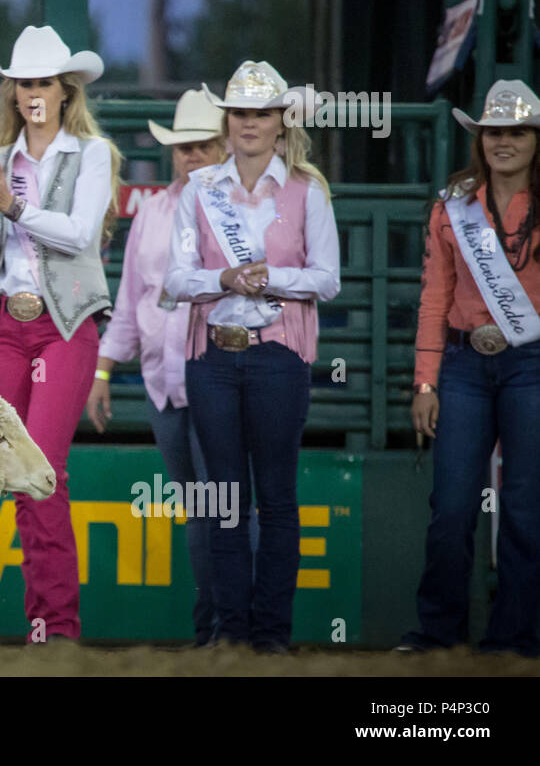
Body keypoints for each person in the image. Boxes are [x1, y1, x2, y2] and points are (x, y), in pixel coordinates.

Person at [163, 60, 340, 654]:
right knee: (226, 497)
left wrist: (266, 277)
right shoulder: (199, 189)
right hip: (213, 355)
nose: (248, 123)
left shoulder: (308, 191)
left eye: (259, 113)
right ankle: (233, 633)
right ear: (228, 120)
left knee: (275, 496)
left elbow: (328, 278)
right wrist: (226, 276)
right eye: (239, 112)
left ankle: (269, 636)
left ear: (279, 121)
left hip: (277, 355)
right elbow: (177, 278)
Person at [0, 25, 123, 643]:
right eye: (24, 81)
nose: (33, 92)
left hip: (64, 324)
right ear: (14, 91)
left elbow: (81, 234)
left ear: (65, 90)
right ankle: (46, 624)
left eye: (43, 82)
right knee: (18, 474)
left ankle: (56, 625)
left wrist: (11, 206)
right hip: (6, 324)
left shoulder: (92, 154)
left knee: (42, 469)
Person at [401, 79, 540, 657]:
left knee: (527, 507)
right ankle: (439, 632)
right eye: (494, 132)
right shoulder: (452, 206)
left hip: (532, 363)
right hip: (461, 363)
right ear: (480, 140)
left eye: (516, 131)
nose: (503, 141)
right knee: (452, 506)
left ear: (535, 139)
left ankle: (515, 638)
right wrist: (424, 381)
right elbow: (435, 296)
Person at [86, 90, 227, 646]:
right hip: (164, 381)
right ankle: (213, 628)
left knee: (224, 505)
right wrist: (101, 371)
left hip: (217, 376)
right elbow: (130, 301)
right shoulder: (153, 211)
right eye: (183, 147)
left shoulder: (239, 210)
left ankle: (234, 627)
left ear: (221, 147)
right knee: (202, 507)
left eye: (201, 146)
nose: (190, 156)